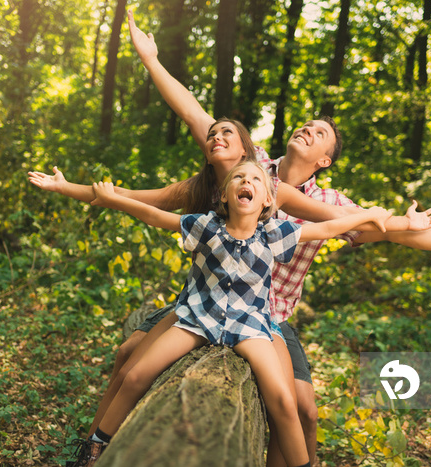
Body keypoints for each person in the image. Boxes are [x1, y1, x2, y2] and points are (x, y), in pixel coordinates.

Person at [92, 11, 431, 467]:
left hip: (270, 315)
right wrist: (150, 60)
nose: (308, 129)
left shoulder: (330, 200)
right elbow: (192, 112)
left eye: (320, 134)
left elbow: (391, 231)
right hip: (211, 295)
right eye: (307, 125)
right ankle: (98, 444)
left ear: (324, 160)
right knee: (130, 355)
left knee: (303, 410)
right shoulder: (254, 168)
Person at [70, 160, 394, 467]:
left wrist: (371, 216)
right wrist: (114, 198)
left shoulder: (274, 233)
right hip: (198, 320)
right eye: (239, 178)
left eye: (255, 179)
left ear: (268, 199)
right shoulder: (206, 226)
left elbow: (329, 227)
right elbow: (156, 216)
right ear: (224, 195)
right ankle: (96, 444)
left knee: (283, 400)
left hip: (249, 328)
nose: (246, 182)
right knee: (137, 374)